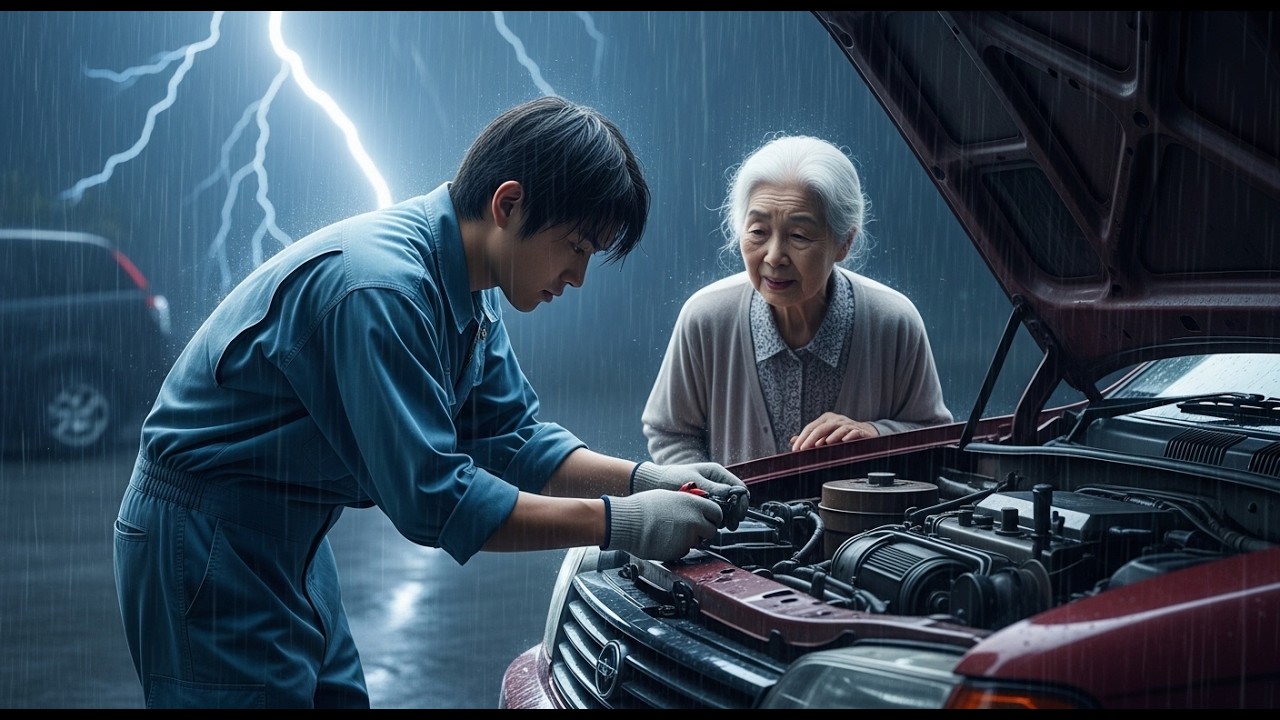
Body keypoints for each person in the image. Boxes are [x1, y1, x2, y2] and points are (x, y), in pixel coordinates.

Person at [112, 95, 749, 709]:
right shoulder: (381, 290)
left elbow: (513, 435)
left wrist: (651, 478)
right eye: (577, 247)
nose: (577, 276)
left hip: (291, 537)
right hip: (204, 539)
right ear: (508, 204)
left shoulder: (470, 289)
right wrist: (626, 521)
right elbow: (436, 499)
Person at [642, 134, 952, 467]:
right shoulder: (706, 318)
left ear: (844, 243)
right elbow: (669, 432)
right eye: (758, 231)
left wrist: (873, 434)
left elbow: (935, 436)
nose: (774, 257)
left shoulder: (892, 322)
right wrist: (715, 496)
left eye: (799, 236)